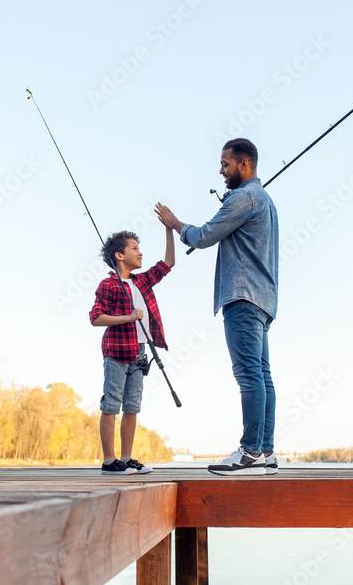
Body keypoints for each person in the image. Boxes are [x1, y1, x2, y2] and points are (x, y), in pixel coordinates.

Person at [155, 138, 279, 476]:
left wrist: (174, 223)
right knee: (262, 374)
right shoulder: (265, 201)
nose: (221, 171)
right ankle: (265, 452)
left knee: (248, 374)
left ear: (244, 164)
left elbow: (203, 236)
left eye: (226, 164)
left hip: (242, 296)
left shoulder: (244, 198)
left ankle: (250, 452)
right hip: (264, 300)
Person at [89, 224, 175, 475]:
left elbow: (168, 263)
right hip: (116, 351)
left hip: (139, 352)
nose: (140, 253)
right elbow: (96, 317)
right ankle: (109, 461)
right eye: (134, 249)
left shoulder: (142, 281)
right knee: (111, 404)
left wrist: (169, 229)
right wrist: (127, 317)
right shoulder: (109, 284)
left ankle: (126, 458)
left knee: (132, 406)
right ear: (119, 255)